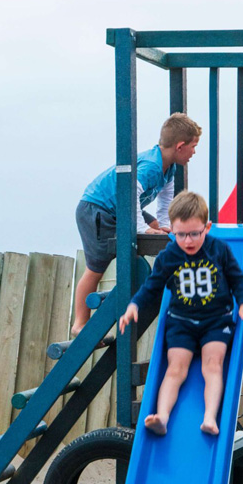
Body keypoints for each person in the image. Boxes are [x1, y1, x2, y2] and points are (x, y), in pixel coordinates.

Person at [119, 190, 243, 436]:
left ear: (206, 228)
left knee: (213, 364)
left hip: (216, 322)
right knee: (175, 367)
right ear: (172, 230)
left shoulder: (219, 250)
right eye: (181, 234)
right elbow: (152, 286)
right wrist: (134, 305)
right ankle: (162, 417)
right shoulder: (169, 256)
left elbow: (238, 279)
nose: (188, 241)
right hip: (181, 323)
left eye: (194, 233)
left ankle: (209, 418)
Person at [72, 113, 202, 335]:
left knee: (153, 226)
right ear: (180, 146)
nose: (194, 152)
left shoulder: (168, 167)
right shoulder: (152, 166)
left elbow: (165, 201)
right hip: (98, 209)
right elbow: (131, 192)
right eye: (193, 146)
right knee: (95, 268)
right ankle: (80, 324)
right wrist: (142, 228)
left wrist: (161, 224)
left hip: (122, 208)